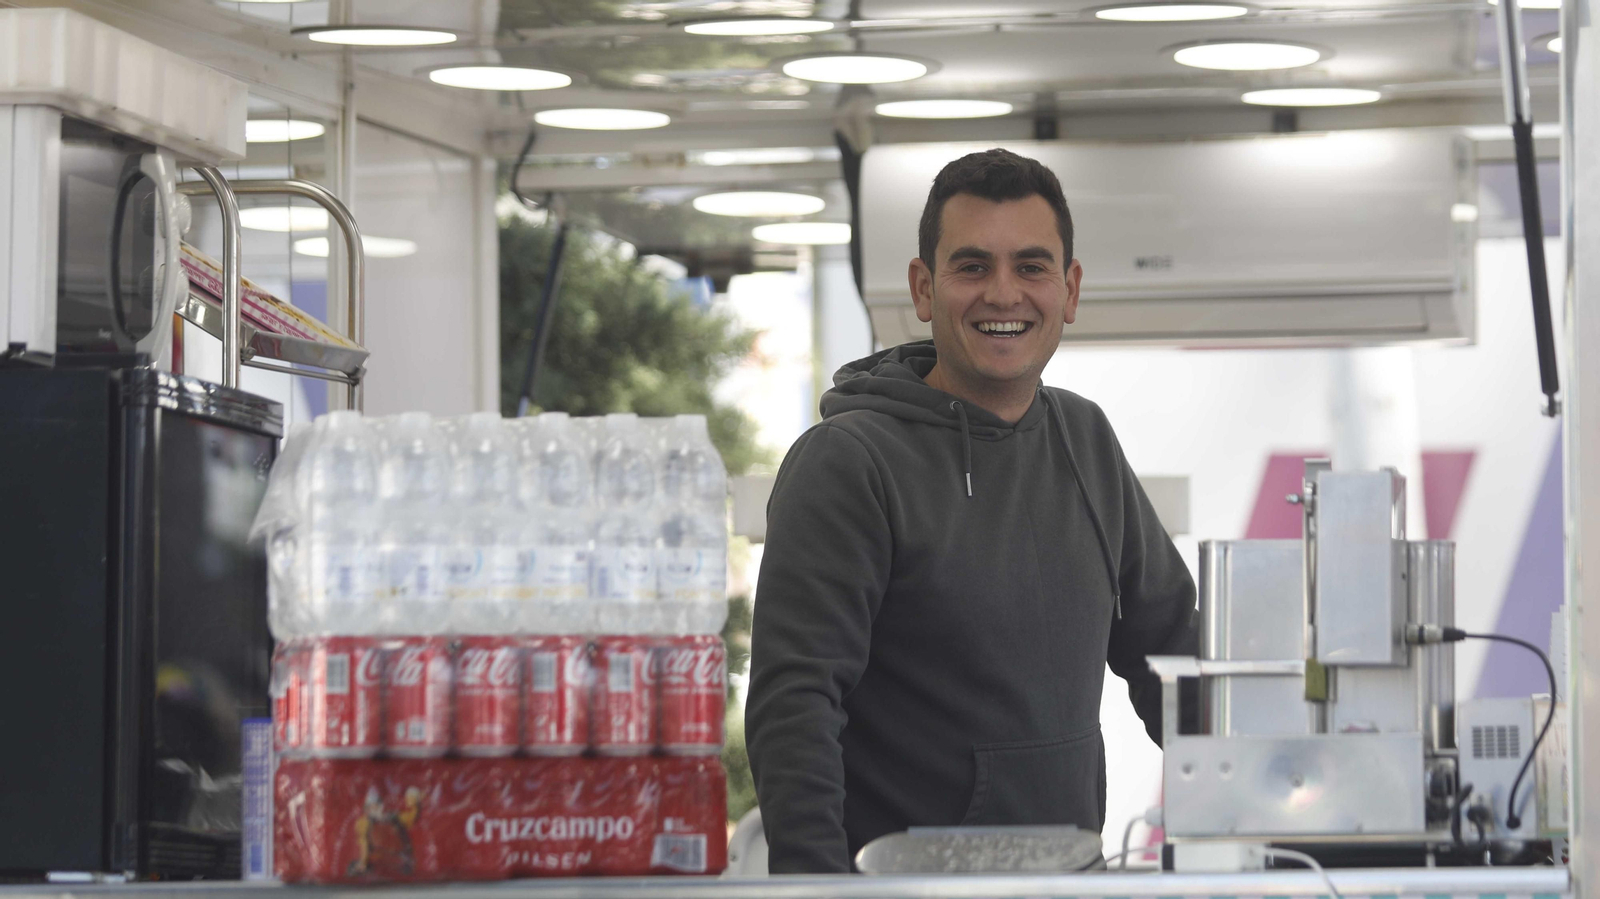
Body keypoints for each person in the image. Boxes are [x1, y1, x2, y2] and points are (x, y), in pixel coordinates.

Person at [745, 148, 1199, 874]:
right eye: (972, 266)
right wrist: (818, 894)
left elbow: (1172, 653)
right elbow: (794, 711)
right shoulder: (847, 462)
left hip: (1071, 883)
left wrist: (1264, 807)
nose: (1003, 293)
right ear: (924, 289)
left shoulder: (1084, 437)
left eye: (1031, 266)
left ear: (1069, 289)